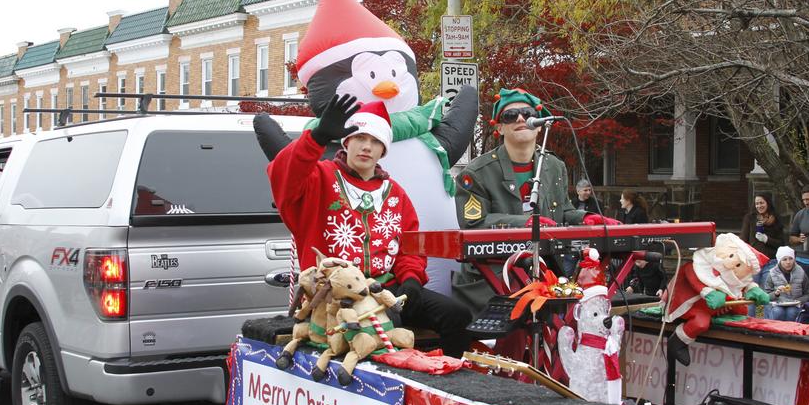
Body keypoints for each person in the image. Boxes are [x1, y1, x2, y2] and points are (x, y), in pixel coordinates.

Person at [262, 93, 472, 357]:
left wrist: (410, 280)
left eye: (375, 141)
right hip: (337, 297)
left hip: (389, 290)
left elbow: (409, 246)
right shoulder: (319, 179)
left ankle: (446, 383)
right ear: (347, 141)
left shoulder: (395, 193)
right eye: (360, 138)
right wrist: (315, 138)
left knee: (457, 316)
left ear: (383, 149)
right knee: (384, 326)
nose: (366, 147)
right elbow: (283, 173)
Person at [452, 88, 614, 315]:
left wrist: (587, 218)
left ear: (538, 124)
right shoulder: (476, 173)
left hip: (546, 274)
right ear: (499, 127)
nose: (520, 118)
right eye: (510, 116)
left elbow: (562, 212)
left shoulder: (554, 167)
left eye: (527, 114)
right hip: (491, 280)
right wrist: (525, 223)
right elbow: (473, 223)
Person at [762, 246, 809, 321]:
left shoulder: (801, 272)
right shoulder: (772, 274)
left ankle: (791, 331)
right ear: (779, 261)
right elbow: (765, 296)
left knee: (791, 311)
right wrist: (776, 293)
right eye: (784, 259)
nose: (788, 262)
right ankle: (776, 330)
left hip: (795, 304)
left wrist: (799, 301)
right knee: (778, 311)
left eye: (791, 258)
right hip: (778, 304)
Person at [739, 194, 784, 263]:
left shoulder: (776, 219)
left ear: (768, 203)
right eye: (757, 204)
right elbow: (743, 239)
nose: (759, 206)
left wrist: (767, 239)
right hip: (754, 258)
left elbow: (781, 243)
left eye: (761, 203)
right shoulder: (750, 218)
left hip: (771, 258)